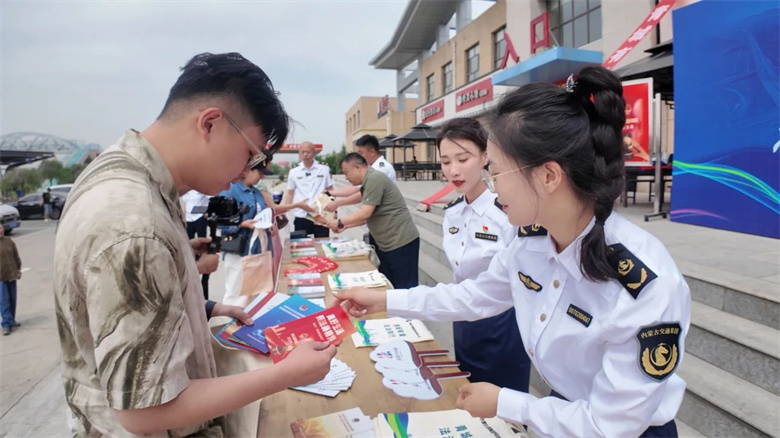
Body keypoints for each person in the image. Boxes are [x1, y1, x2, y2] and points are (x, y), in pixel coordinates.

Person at [334, 66, 691, 438]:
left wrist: (506, 402)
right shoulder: (531, 241)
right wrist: (382, 300)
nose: (491, 186)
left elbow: (610, 425)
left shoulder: (645, 285)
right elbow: (472, 295)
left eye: (497, 172)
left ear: (548, 176)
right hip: (562, 410)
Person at [53, 52, 337, 437]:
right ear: (210, 123)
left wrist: (208, 304)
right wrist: (287, 372)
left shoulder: (122, 175)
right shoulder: (136, 225)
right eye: (250, 153)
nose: (245, 170)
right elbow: (145, 411)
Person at [436, 118, 531, 395]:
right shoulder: (452, 212)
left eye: (463, 159)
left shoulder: (507, 213)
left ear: (485, 156)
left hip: (501, 322)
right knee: (469, 394)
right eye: (445, 161)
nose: (454, 170)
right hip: (464, 318)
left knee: (505, 403)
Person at [326, 153, 420, 289]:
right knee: (389, 286)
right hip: (388, 243)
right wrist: (346, 225)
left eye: (346, 173)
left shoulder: (374, 178)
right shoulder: (369, 181)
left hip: (401, 242)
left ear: (357, 167)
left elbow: (365, 213)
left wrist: (340, 222)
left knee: (405, 289)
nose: (346, 177)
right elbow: (370, 214)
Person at [325, 134, 395, 211]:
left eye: (361, 153)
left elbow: (364, 194)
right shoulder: (371, 168)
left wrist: (338, 203)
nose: (360, 157)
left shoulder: (381, 168)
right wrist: (330, 193)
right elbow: (357, 189)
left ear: (372, 152)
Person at [283, 141, 333, 237]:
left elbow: (330, 189)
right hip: (301, 214)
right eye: (302, 152)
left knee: (322, 244)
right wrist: (285, 211)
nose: (305, 154)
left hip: (321, 214)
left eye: (308, 152)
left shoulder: (323, 169)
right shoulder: (294, 171)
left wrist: (334, 211)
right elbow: (290, 192)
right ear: (299, 153)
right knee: (300, 246)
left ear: (314, 153)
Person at [181, 190, 213, 299]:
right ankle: (192, 258)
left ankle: (202, 258)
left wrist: (207, 212)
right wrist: (183, 214)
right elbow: (185, 203)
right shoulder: (187, 190)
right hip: (189, 218)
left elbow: (210, 199)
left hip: (199, 216)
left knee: (202, 239)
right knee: (189, 240)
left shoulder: (200, 188)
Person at [0, 225, 22, 336]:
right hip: (1, 278)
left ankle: (12, 320)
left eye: (1, 228)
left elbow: (16, 256)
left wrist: (18, 268)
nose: (0, 231)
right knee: (4, 302)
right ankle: (6, 324)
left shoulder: (9, 241)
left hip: (11, 275)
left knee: (12, 299)